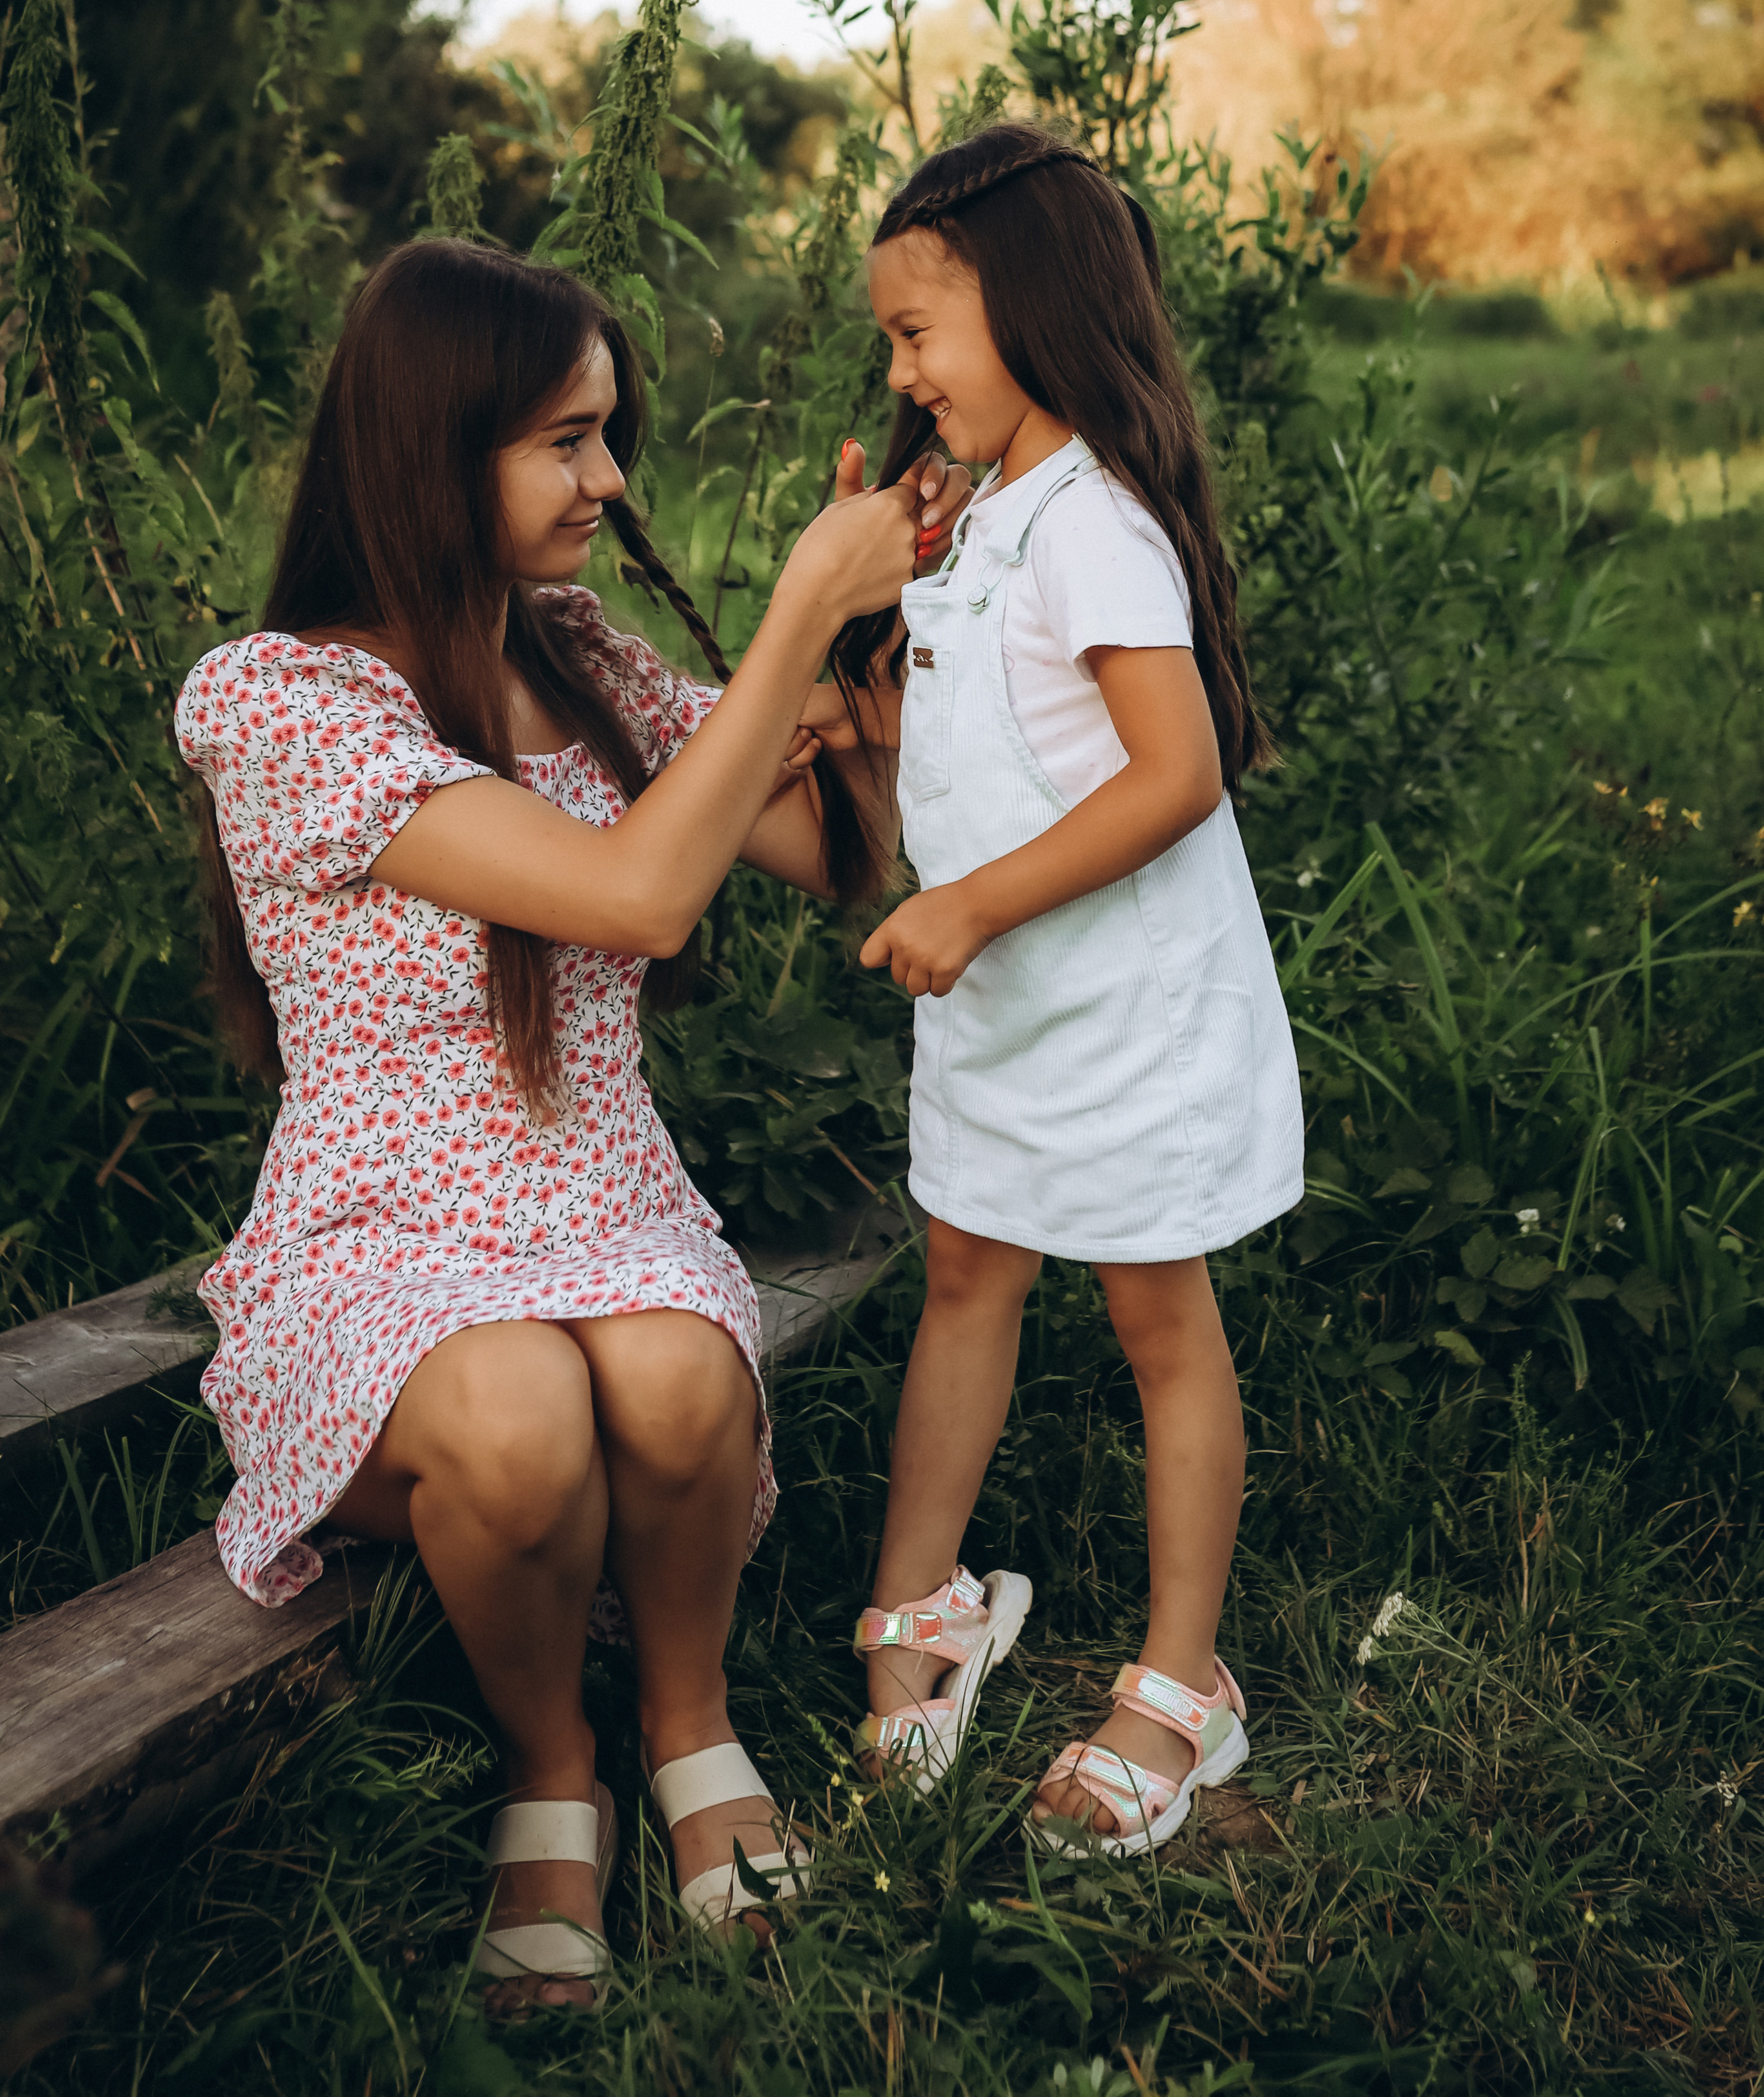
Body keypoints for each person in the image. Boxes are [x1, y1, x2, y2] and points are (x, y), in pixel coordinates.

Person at [175, 237, 967, 2004]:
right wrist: (780, 631)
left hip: (597, 1194)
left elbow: (826, 855)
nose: (610, 481)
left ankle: (689, 1724)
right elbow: (632, 900)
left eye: (610, 435)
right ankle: (554, 1770)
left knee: (683, 1376)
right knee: (521, 1413)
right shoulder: (285, 702)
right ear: (427, 446)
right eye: (564, 439)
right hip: (381, 1230)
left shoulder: (582, 652)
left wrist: (860, 676)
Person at [821, 125, 1304, 1856]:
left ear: (1030, 312)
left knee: (1155, 1321)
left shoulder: (1093, 520)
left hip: (1116, 1018)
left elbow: (1174, 773)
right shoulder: (978, 521)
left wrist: (968, 904)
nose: (900, 371)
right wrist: (866, 721)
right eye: (891, 338)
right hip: (1007, 1012)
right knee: (965, 1273)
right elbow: (1015, 734)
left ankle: (1183, 1680)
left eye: (917, 333)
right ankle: (927, 1600)